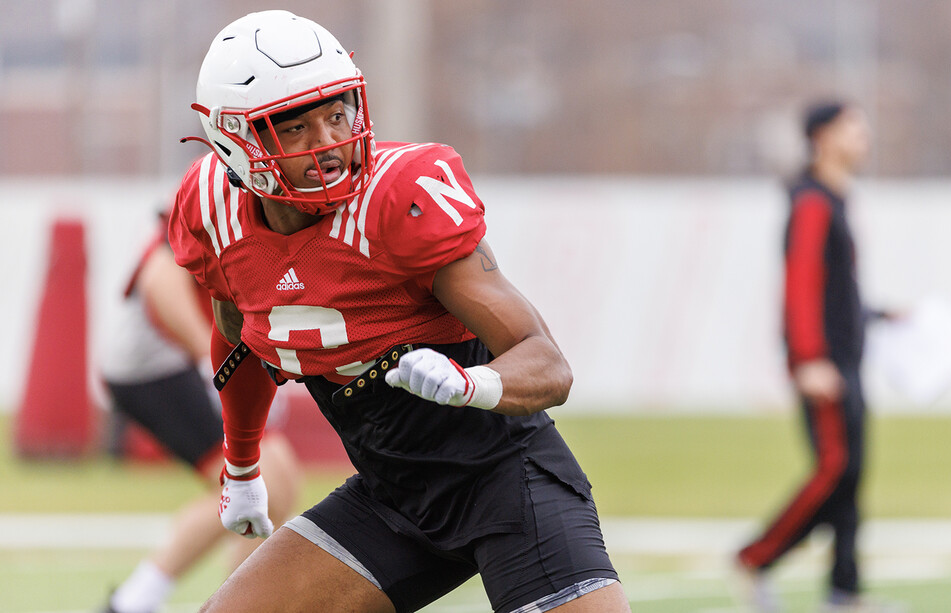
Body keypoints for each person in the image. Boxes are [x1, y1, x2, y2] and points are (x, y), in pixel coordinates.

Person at [167, 10, 629, 613]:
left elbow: (548, 364)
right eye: (295, 127)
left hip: (505, 483)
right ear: (235, 140)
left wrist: (473, 383)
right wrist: (243, 463)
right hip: (389, 498)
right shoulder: (214, 214)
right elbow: (239, 339)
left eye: (337, 114)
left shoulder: (396, 199)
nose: (329, 143)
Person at [98, 215, 302, 613]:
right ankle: (136, 603)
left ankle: (228, 602)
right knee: (261, 485)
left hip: (186, 360)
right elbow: (159, 278)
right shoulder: (222, 197)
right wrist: (214, 367)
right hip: (157, 365)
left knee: (281, 485)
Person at [734, 101, 891, 612]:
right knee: (835, 470)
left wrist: (884, 316)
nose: (865, 134)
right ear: (822, 137)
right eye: (854, 125)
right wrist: (808, 359)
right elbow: (800, 285)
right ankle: (757, 557)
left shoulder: (838, 199)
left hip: (845, 360)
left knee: (852, 475)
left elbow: (838, 292)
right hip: (823, 363)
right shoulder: (812, 202)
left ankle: (844, 592)